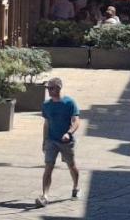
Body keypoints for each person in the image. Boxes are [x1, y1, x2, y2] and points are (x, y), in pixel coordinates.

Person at [36, 77, 80, 208]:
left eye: (51, 88)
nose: (49, 90)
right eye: (48, 88)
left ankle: (76, 187)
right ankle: (45, 196)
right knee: (48, 167)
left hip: (66, 141)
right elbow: (46, 123)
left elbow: (76, 121)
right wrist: (44, 141)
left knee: (71, 165)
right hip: (51, 141)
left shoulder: (69, 103)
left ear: (59, 88)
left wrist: (69, 133)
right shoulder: (46, 105)